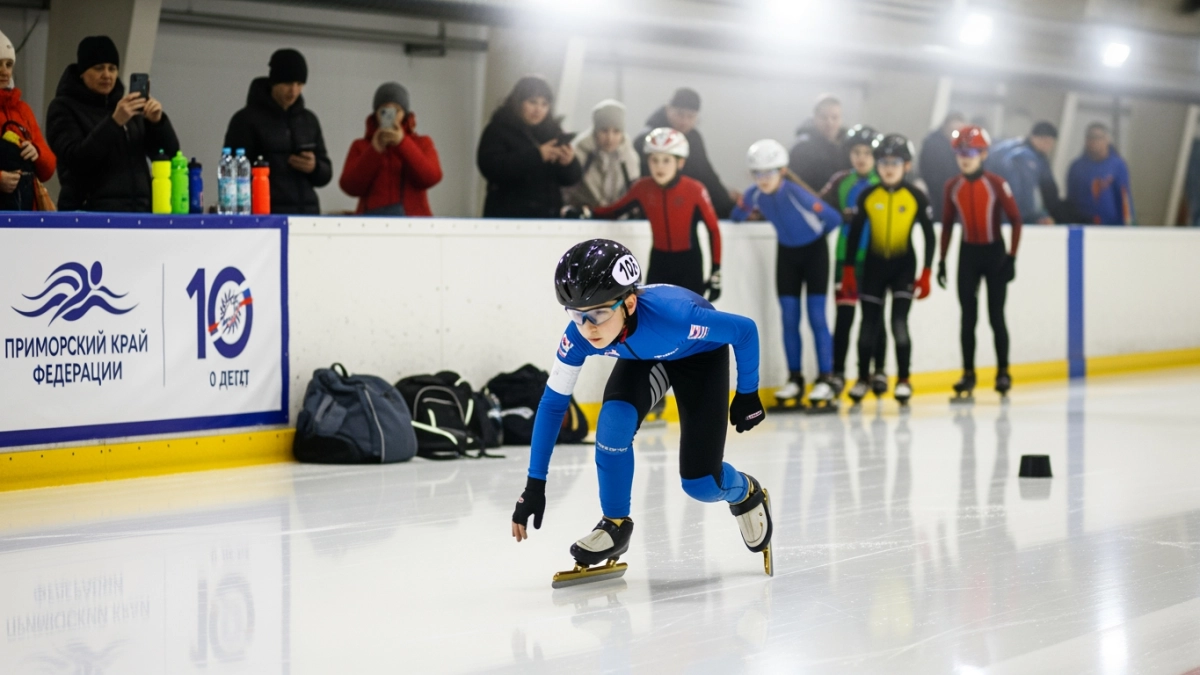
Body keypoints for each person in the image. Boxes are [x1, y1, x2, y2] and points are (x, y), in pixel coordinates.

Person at [510, 239, 774, 585]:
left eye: (599, 314)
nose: (588, 328)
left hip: (698, 356)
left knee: (702, 484)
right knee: (612, 425)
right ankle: (615, 523)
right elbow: (552, 404)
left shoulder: (678, 317)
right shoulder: (579, 337)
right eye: (576, 315)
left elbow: (744, 330)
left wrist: (747, 392)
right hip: (643, 357)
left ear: (629, 303)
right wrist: (534, 484)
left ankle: (746, 491)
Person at [731, 139, 841, 411]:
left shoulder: (795, 192)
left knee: (816, 316)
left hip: (814, 253)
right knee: (789, 318)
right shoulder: (755, 194)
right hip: (787, 256)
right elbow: (735, 216)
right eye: (757, 174)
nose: (763, 179)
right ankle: (795, 378)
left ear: (782, 171)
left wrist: (815, 240)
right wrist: (746, 209)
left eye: (769, 173)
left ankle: (826, 378)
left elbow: (834, 219)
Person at [843, 134, 936, 405]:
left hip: (904, 268)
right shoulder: (868, 195)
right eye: (883, 161)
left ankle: (904, 380)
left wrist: (928, 272)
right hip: (872, 268)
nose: (888, 167)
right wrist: (849, 270)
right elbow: (854, 234)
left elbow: (930, 237)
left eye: (895, 161)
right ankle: (863, 378)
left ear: (906, 165)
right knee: (868, 326)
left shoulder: (916, 196)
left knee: (898, 325)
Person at [582, 128, 721, 301]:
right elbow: (614, 210)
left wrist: (716, 272)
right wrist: (587, 212)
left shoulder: (695, 189)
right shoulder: (642, 188)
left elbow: (713, 230)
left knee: (689, 322)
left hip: (689, 264)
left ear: (680, 163)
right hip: (659, 262)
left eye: (666, 160)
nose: (659, 166)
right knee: (654, 318)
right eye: (654, 160)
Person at [46, 35, 179, 212]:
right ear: (82, 72)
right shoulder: (63, 108)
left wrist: (158, 123)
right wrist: (114, 122)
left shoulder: (128, 109)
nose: (107, 75)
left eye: (112, 68)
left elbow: (169, 154)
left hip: (139, 212)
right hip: (90, 213)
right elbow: (76, 160)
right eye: (98, 68)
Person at [937, 125, 1023, 399]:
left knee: (996, 317)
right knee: (968, 319)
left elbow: (1016, 219)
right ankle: (968, 374)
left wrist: (1011, 256)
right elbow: (948, 225)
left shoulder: (996, 183)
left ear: (983, 154)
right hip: (968, 256)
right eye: (960, 152)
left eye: (972, 151)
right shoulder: (952, 186)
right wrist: (941, 260)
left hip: (994, 254)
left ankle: (1003, 372)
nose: (966, 157)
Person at [819, 125, 887, 395]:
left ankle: (876, 370)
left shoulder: (883, 181)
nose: (861, 158)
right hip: (844, 258)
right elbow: (819, 206)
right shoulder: (840, 180)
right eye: (856, 152)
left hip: (875, 260)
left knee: (875, 319)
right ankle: (838, 373)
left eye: (867, 153)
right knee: (844, 318)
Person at [224, 48, 332, 215]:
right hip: (264, 216)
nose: (294, 91)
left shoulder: (309, 120)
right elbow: (232, 174)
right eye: (288, 84)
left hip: (307, 215)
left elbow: (326, 174)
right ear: (274, 82)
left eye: (299, 84)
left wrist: (314, 167)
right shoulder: (245, 120)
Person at [477, 75, 581, 218]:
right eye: (533, 102)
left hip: (549, 218)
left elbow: (571, 179)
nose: (538, 109)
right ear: (518, 102)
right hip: (507, 216)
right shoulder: (498, 129)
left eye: (544, 104)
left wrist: (569, 163)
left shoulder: (553, 132)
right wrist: (537, 155)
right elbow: (491, 167)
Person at [339, 82, 442, 216]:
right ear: (376, 113)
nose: (390, 116)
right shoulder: (360, 146)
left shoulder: (422, 143)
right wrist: (374, 150)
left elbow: (432, 177)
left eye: (396, 111)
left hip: (414, 226)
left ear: (405, 114)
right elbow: (349, 187)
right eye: (384, 110)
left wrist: (403, 143)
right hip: (370, 225)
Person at [634, 87, 737, 218]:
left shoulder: (693, 138)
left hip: (686, 210)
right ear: (668, 109)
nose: (684, 121)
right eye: (680, 114)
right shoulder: (647, 139)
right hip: (653, 212)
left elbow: (708, 178)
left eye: (691, 116)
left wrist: (730, 208)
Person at [0, 29, 55, 211]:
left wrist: (36, 152)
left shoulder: (23, 110)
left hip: (25, 211)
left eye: (9, 64)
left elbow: (48, 168)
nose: (4, 71)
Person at [986, 121, 1075, 224]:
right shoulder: (1024, 157)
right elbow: (1022, 192)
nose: (1050, 147)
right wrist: (1037, 217)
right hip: (1010, 216)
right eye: (1049, 143)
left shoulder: (1033, 154)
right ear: (1038, 138)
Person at [563, 99, 640, 212]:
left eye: (616, 131)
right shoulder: (581, 152)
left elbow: (634, 190)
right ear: (595, 131)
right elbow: (568, 190)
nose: (610, 138)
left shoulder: (629, 156)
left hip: (617, 217)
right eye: (604, 131)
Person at [1066, 123, 1133, 226]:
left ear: (1107, 140)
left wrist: (1127, 225)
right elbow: (1071, 199)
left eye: (1098, 138)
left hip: (1110, 226)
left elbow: (1124, 198)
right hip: (1082, 224)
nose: (1094, 141)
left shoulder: (1117, 165)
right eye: (1090, 137)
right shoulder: (1076, 167)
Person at [788, 94, 850, 193]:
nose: (829, 122)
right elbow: (793, 185)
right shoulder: (801, 149)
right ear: (815, 117)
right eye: (824, 117)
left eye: (834, 117)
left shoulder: (849, 147)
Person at [917, 111, 966, 224]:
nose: (954, 132)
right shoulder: (932, 143)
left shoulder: (963, 145)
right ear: (945, 126)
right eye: (952, 129)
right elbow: (924, 167)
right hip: (935, 192)